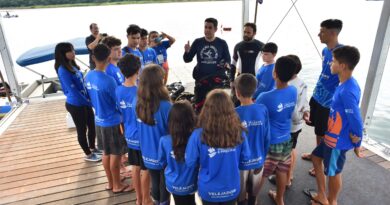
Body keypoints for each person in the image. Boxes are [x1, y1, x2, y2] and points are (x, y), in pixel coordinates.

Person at [307, 46, 363, 205]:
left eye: (333, 61)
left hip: (337, 141)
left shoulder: (347, 90)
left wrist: (357, 143)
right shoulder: (345, 83)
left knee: (333, 172)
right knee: (316, 158)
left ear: (343, 66)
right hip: (331, 136)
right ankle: (322, 196)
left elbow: (356, 119)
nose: (330, 63)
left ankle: (332, 201)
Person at [185, 89, 250, 205]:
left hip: (208, 190)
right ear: (230, 109)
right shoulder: (240, 133)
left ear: (206, 109)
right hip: (231, 188)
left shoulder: (198, 135)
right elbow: (245, 159)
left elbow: (190, 162)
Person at [85, 44, 131, 193]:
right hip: (112, 122)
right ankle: (117, 185)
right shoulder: (109, 81)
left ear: (93, 57)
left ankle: (111, 182)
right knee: (116, 154)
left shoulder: (88, 76)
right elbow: (117, 103)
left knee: (105, 152)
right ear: (109, 58)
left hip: (98, 120)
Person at [302, 19, 343, 177]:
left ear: (332, 33)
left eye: (322, 31)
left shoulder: (342, 53)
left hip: (328, 102)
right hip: (317, 96)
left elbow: (344, 77)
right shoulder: (326, 51)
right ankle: (317, 156)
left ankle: (322, 161)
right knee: (318, 131)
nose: (319, 34)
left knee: (325, 133)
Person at [255, 56, 297, 205]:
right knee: (282, 171)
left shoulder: (265, 97)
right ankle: (280, 199)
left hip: (271, 142)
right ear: (293, 76)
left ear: (274, 73)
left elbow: (255, 114)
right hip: (286, 139)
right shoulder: (293, 90)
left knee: (262, 175)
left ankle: (253, 200)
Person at [54, 42, 101, 162]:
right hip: (76, 104)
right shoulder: (62, 70)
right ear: (63, 54)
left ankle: (92, 147)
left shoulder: (72, 65)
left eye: (73, 50)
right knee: (82, 130)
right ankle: (88, 154)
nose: (73, 52)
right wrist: (90, 103)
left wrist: (90, 99)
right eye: (70, 51)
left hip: (84, 102)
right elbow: (74, 92)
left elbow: (82, 84)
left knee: (92, 126)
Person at [268, 55, 310, 187]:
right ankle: (289, 175)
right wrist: (306, 111)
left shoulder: (288, 87)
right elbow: (305, 101)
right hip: (297, 125)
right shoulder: (302, 83)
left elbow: (290, 109)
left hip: (288, 126)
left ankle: (287, 176)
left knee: (286, 152)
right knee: (291, 149)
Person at [116, 54, 153, 205]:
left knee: (135, 168)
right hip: (142, 138)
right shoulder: (140, 93)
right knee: (146, 170)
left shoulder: (118, 90)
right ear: (138, 69)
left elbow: (121, 114)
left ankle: (138, 199)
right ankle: (146, 199)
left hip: (129, 135)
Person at [136, 65, 172, 205]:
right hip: (163, 155)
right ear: (159, 82)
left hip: (147, 154)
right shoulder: (166, 106)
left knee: (155, 184)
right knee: (165, 187)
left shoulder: (138, 103)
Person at [234, 74, 270, 205]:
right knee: (254, 195)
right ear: (255, 90)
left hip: (240, 164)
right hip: (258, 160)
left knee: (241, 196)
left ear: (237, 92)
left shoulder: (234, 113)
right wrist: (263, 159)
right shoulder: (262, 109)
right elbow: (267, 138)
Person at [183, 17, 231, 112]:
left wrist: (225, 64)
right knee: (199, 108)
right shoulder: (197, 42)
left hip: (216, 80)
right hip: (201, 80)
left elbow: (228, 60)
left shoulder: (222, 43)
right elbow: (187, 60)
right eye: (205, 27)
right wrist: (187, 52)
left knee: (217, 107)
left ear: (216, 29)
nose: (207, 30)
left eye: (210, 28)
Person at [158, 101, 198, 205]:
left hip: (173, 184)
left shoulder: (164, 140)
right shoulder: (196, 139)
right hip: (192, 183)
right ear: (191, 118)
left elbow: (161, 163)